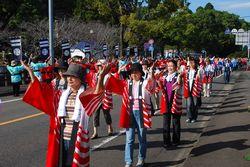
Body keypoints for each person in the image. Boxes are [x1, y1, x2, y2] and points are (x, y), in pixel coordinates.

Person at [21, 60, 110, 167]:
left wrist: (101, 77)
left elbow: (98, 94)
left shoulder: (85, 95)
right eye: (68, 76)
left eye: (73, 76)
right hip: (61, 137)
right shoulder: (60, 95)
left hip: (78, 138)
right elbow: (41, 92)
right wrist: (30, 72)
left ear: (81, 79)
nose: (70, 79)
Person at [105, 63, 155, 167]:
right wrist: (109, 75)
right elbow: (116, 84)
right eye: (132, 73)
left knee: (142, 138)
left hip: (142, 112)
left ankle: (141, 159)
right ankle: (128, 161)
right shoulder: (128, 83)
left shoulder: (145, 83)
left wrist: (152, 76)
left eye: (136, 72)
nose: (134, 74)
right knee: (129, 139)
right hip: (130, 113)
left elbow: (152, 87)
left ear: (141, 73)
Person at [158, 60, 182, 148]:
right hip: (165, 101)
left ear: (175, 67)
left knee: (175, 122)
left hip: (174, 101)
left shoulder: (178, 76)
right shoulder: (164, 77)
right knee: (165, 123)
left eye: (172, 66)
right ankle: (166, 141)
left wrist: (180, 80)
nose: (170, 68)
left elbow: (180, 84)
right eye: (168, 66)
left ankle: (176, 140)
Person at [90, 60, 113, 139]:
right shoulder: (95, 75)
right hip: (96, 97)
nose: (99, 67)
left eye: (101, 66)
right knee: (95, 115)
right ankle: (95, 132)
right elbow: (93, 85)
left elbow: (105, 85)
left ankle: (109, 126)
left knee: (106, 113)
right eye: (98, 66)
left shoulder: (107, 76)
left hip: (104, 97)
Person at [182, 57, 202, 123]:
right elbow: (181, 75)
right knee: (189, 104)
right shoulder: (186, 70)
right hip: (188, 89)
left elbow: (201, 76)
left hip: (195, 89)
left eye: (193, 62)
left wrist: (199, 74)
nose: (191, 64)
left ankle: (194, 117)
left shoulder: (198, 70)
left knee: (195, 104)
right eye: (190, 62)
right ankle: (189, 117)